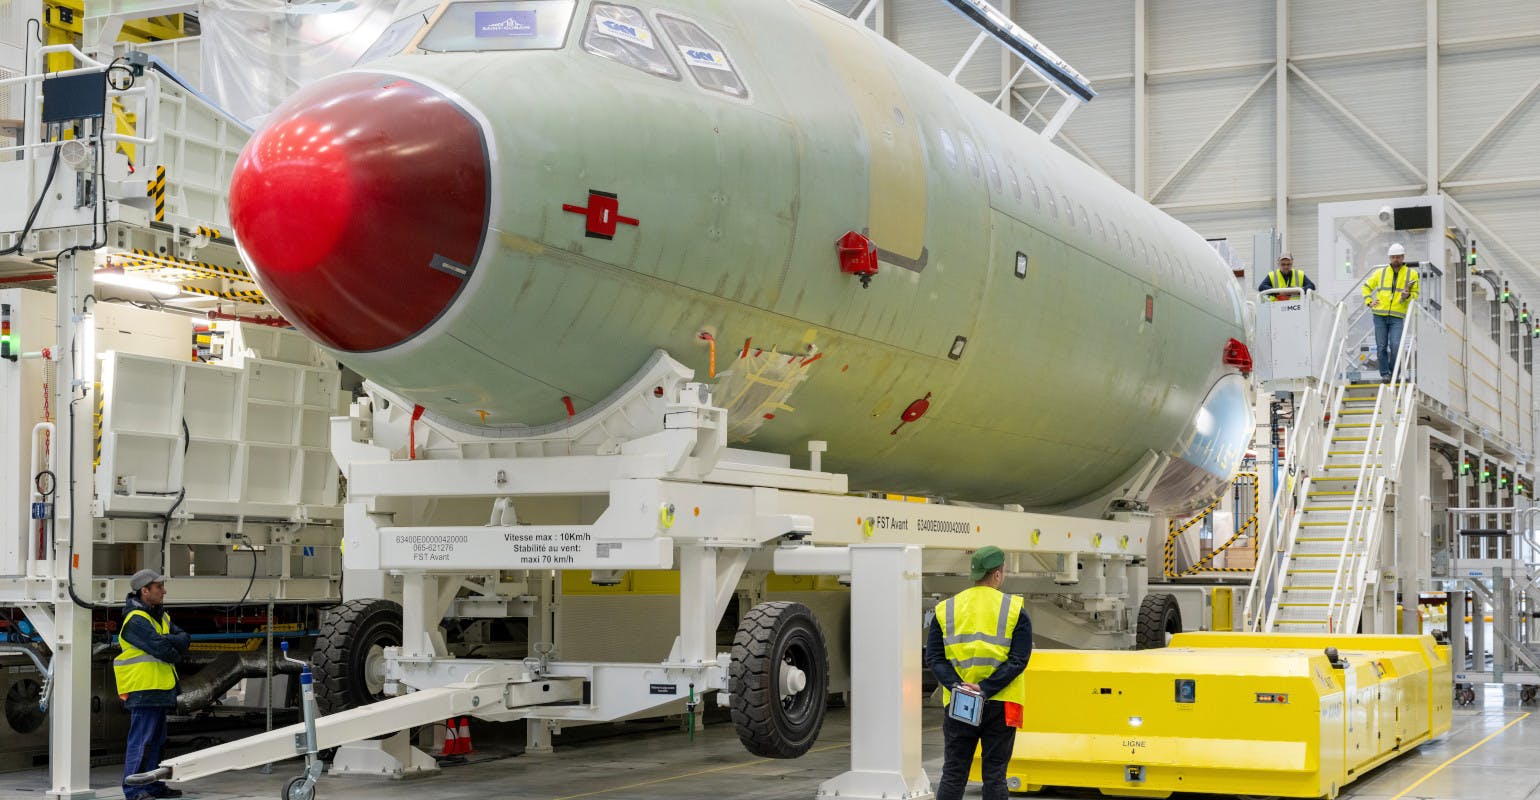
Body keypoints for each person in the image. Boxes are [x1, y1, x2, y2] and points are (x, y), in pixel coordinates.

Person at [925, 545, 1033, 800]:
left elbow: (934, 658)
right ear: (997, 574)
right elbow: (1018, 660)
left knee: (954, 772)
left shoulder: (946, 609)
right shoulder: (1014, 610)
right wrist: (985, 688)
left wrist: (957, 685)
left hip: (960, 702)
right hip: (1002, 702)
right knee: (995, 774)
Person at [116, 569, 190, 800]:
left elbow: (185, 639)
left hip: (160, 688)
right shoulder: (135, 620)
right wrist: (172, 646)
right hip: (143, 688)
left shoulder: (160, 616)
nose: (164, 591)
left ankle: (154, 786)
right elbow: (164, 650)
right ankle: (134, 790)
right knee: (141, 742)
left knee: (157, 741)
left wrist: (170, 643)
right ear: (144, 591)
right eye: (159, 587)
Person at [1362, 243, 1421, 383]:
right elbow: (1366, 287)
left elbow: (1416, 294)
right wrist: (1369, 301)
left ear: (1403, 257)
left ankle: (1394, 372)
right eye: (1393, 257)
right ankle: (1385, 374)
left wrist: (1407, 296)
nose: (1395, 259)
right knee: (1381, 345)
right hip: (1379, 315)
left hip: (1397, 315)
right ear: (1389, 258)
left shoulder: (1411, 274)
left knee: (1395, 345)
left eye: (1398, 257)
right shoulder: (1380, 273)